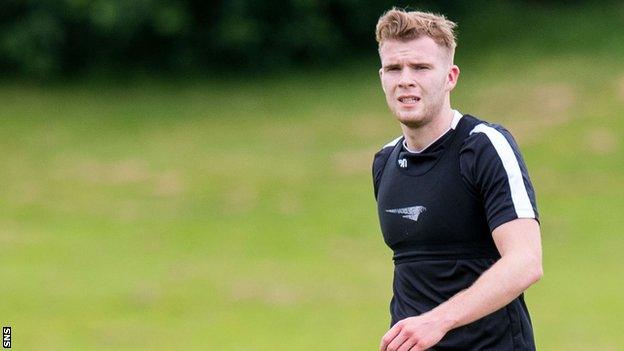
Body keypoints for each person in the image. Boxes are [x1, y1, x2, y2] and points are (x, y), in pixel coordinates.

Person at [372, 8, 543, 351]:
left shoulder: (483, 146)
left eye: (420, 67)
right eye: (394, 68)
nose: (405, 79)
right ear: (382, 77)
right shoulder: (385, 161)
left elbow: (526, 261)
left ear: (450, 77)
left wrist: (438, 321)